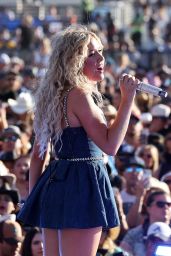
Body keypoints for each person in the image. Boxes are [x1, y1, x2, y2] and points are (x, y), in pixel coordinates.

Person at [17, 24, 139, 256]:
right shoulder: (79, 95)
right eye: (91, 53)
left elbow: (37, 158)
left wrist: (35, 201)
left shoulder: (53, 97)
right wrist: (127, 100)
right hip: (81, 186)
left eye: (101, 51)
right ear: (74, 60)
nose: (100, 58)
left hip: (53, 187)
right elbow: (110, 145)